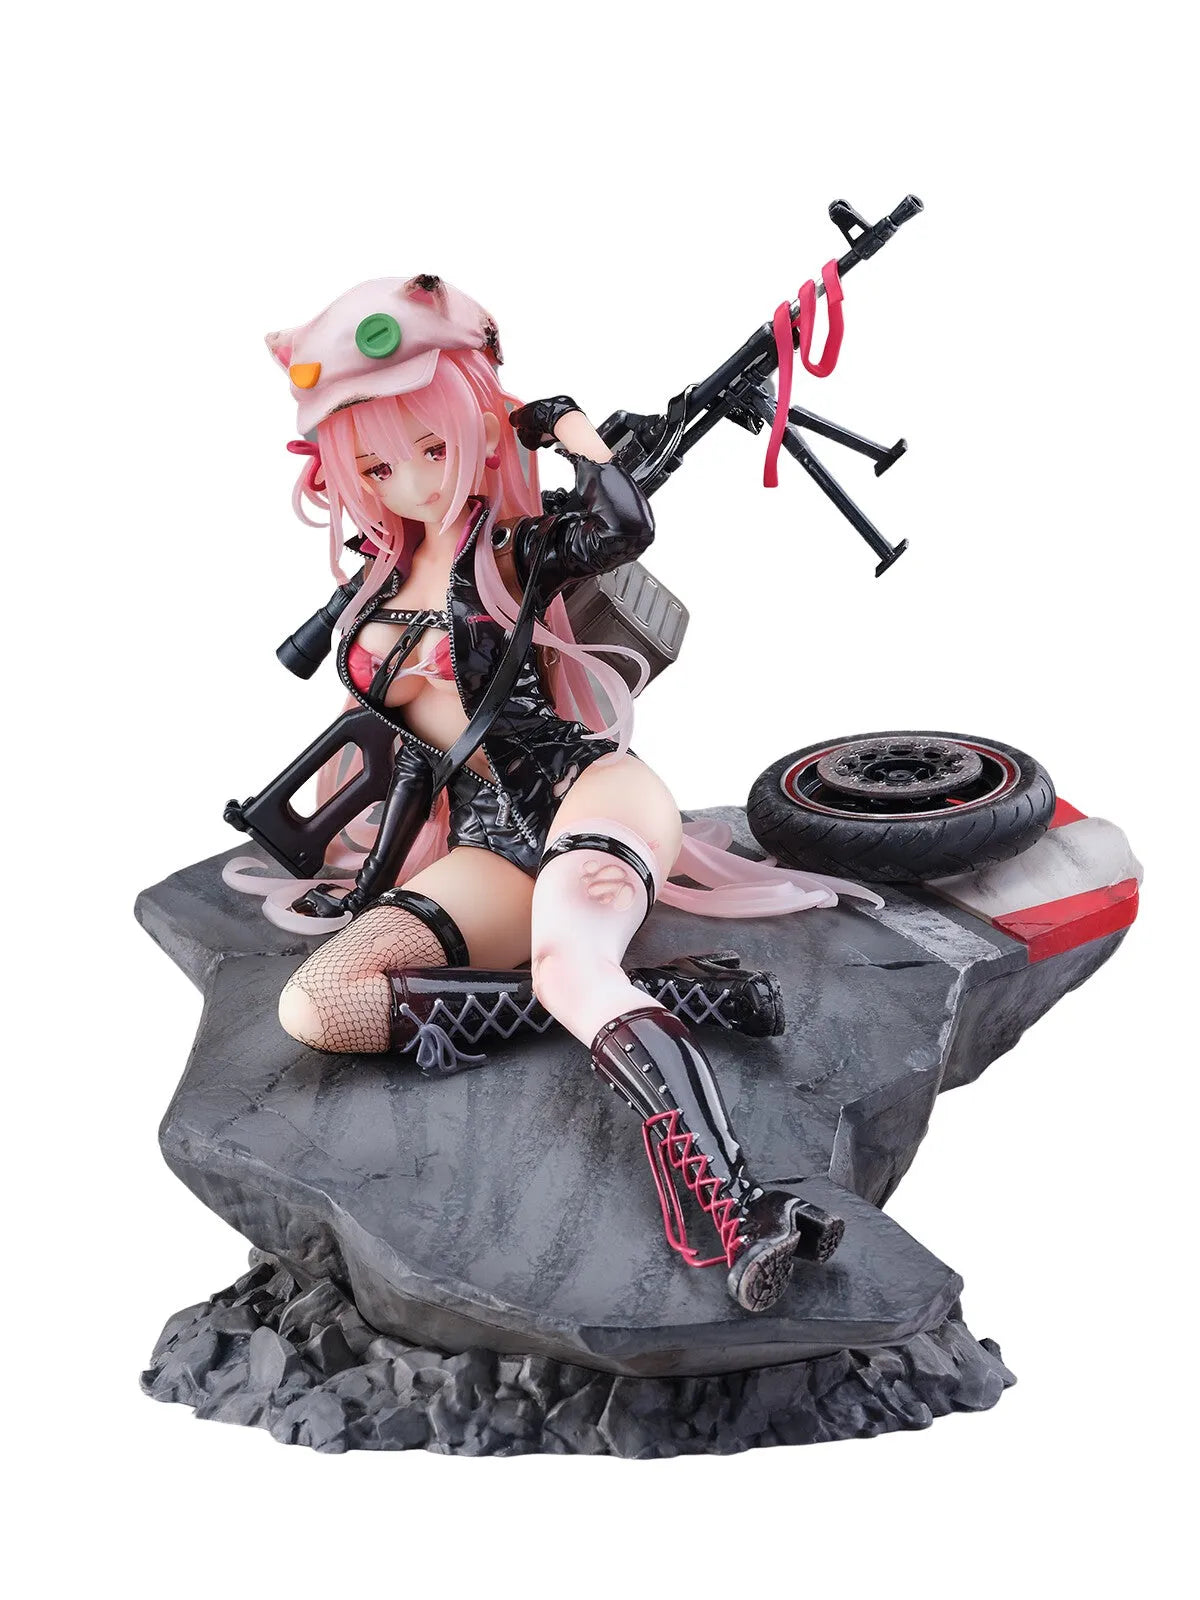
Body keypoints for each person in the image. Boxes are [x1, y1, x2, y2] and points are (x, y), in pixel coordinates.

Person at [237, 274, 878, 1312]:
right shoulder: (368, 589)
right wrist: (368, 890)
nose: (412, 480)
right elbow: (410, 757)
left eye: (434, 448)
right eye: (379, 465)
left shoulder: (516, 550)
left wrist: (570, 430)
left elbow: (622, 527)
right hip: (490, 838)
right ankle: (680, 995)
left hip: (589, 791)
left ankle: (743, 1206)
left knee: (571, 965)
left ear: (475, 432)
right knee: (320, 1002)